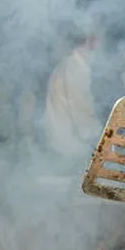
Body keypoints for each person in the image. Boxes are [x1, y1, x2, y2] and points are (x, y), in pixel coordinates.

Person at [43, 32, 103, 160]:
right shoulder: (76, 68)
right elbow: (82, 115)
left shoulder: (69, 64)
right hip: (70, 148)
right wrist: (103, 138)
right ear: (90, 40)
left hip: (61, 146)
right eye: (100, 38)